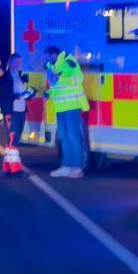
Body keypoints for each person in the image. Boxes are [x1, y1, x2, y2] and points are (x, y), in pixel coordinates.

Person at [47, 44, 91, 178]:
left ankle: (77, 167)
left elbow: (78, 79)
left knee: (73, 137)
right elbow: (57, 88)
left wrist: (59, 78)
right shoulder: (51, 67)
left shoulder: (69, 62)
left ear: (54, 54)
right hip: (60, 108)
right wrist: (48, 93)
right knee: (64, 138)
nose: (45, 59)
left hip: (72, 107)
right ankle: (66, 166)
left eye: (47, 56)